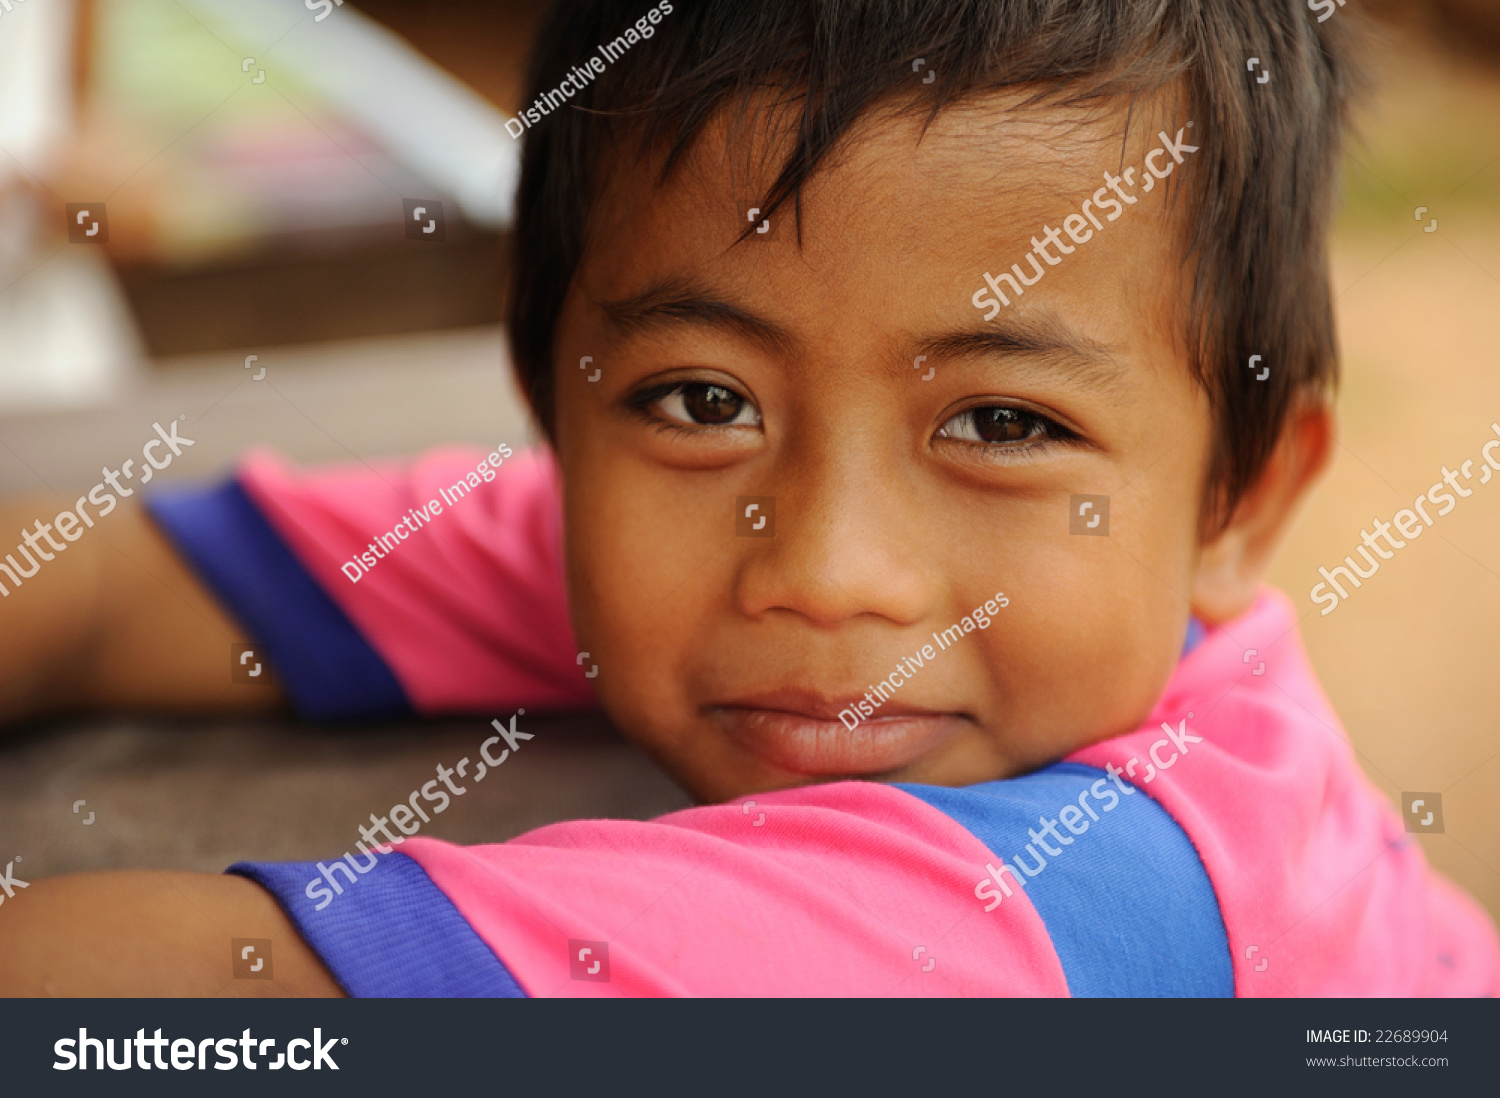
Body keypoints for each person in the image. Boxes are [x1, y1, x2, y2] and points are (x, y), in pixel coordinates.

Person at [1, 0, 1495, 997]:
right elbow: (87, 587)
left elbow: (197, 991)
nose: (830, 572)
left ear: (1238, 499)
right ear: (556, 413)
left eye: (1001, 420)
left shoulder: (1118, 900)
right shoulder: (695, 539)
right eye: (702, 397)